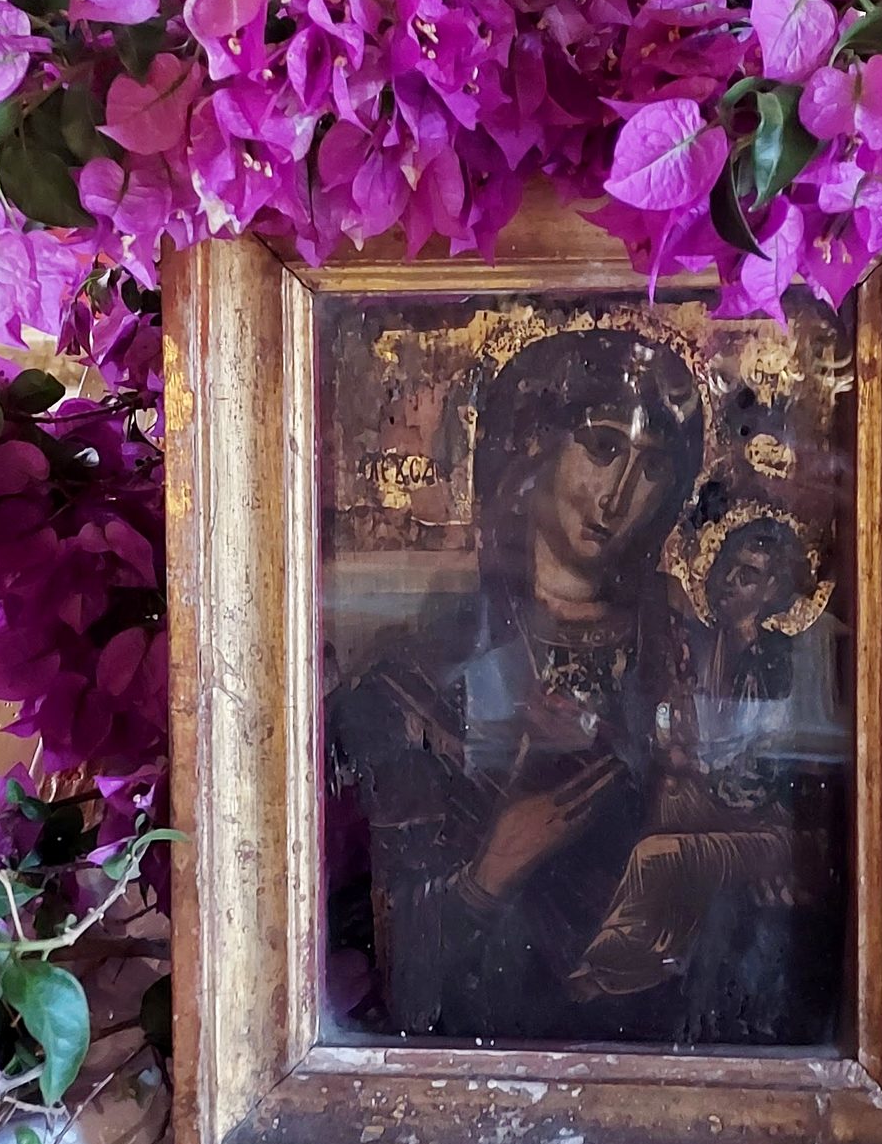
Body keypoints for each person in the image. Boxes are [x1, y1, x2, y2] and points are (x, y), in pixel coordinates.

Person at [325, 330, 845, 1047]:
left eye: (652, 465)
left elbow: (778, 831)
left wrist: (769, 864)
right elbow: (403, 978)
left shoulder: (695, 649)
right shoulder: (420, 677)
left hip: (684, 1048)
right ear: (530, 449)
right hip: (488, 1058)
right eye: (601, 447)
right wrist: (488, 874)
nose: (619, 494)